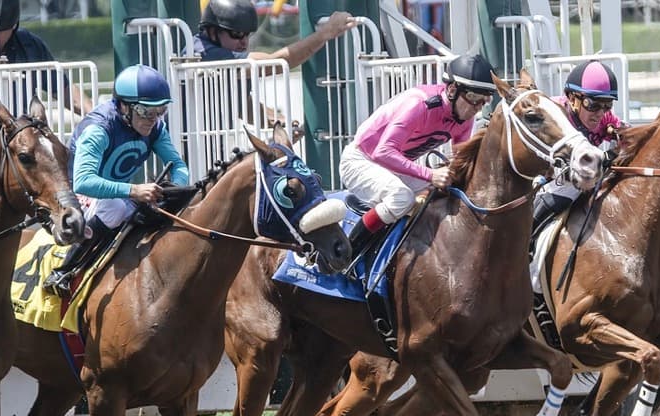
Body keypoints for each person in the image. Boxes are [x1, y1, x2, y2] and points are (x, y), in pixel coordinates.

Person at [41, 64, 189, 297]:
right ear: (124, 106)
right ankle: (66, 270)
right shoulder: (99, 129)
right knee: (115, 208)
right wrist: (134, 190)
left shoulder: (155, 127)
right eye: (145, 111)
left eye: (160, 111)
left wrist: (176, 188)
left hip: (117, 193)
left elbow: (179, 166)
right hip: (76, 198)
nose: (153, 119)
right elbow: (84, 182)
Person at [339, 53, 495, 255]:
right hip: (362, 160)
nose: (477, 108)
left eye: (484, 100)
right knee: (401, 198)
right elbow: (382, 152)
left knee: (450, 193)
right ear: (453, 89)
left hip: (394, 165)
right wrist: (431, 174)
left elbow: (460, 161)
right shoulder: (418, 104)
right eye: (474, 98)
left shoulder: (465, 117)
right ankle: (348, 252)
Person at [532, 59, 626, 229]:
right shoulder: (555, 115)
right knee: (571, 188)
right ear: (571, 98)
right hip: (540, 179)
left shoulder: (605, 118)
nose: (599, 114)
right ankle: (527, 239)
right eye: (592, 104)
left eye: (607, 105)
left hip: (570, 177)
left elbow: (628, 135)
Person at [0, 0, 91, 115]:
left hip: (21, 132)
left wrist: (97, 117)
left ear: (13, 26)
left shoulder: (29, 45)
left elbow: (64, 90)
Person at [194, 0, 355, 65]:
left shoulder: (226, 55)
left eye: (247, 34)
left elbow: (241, 103)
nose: (243, 42)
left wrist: (277, 122)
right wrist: (325, 33)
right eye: (236, 34)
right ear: (213, 32)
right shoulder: (204, 52)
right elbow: (273, 63)